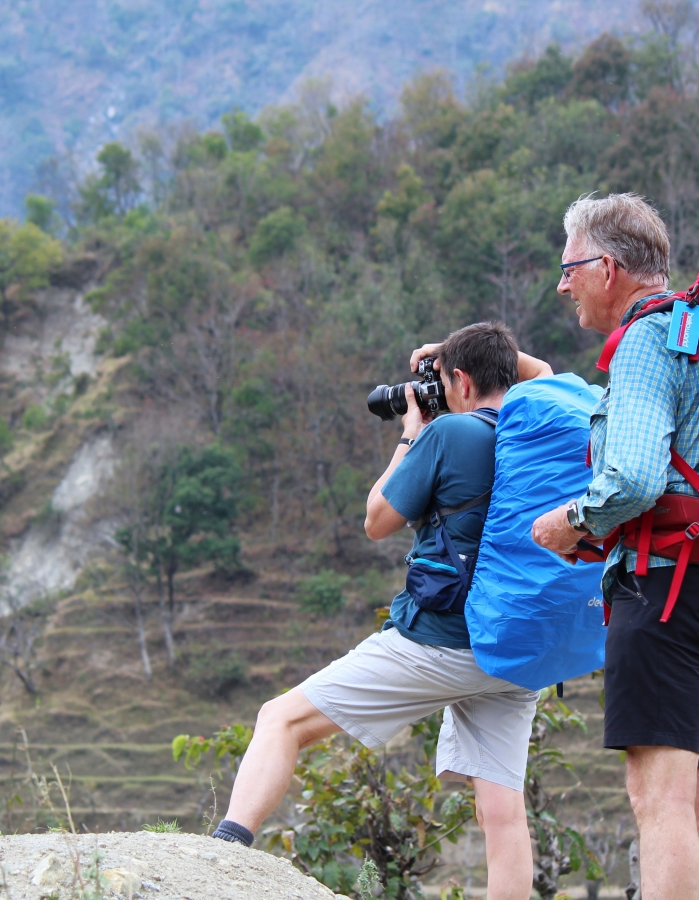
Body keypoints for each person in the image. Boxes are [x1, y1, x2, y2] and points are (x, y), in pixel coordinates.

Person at [211, 322, 551, 900]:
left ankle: (217, 855)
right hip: (519, 645)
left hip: (442, 642)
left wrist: (410, 436)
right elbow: (538, 374)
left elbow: (377, 520)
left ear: (460, 382)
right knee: (503, 814)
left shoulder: (450, 434)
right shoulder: (540, 420)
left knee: (280, 720)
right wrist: (460, 357)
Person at [531, 194, 699, 900]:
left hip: (664, 592)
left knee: (658, 800)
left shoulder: (645, 343)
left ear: (605, 267)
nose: (563, 285)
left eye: (569, 269)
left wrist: (570, 521)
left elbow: (632, 479)